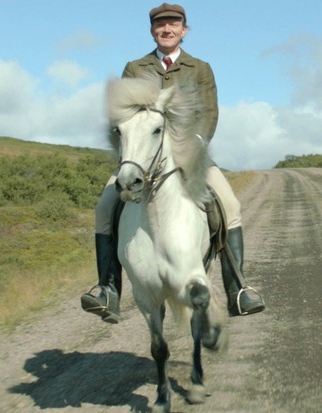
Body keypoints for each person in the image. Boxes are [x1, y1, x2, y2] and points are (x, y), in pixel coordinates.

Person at [80, 3, 265, 323]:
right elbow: (121, 113)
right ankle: (108, 289)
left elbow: (209, 113)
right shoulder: (135, 67)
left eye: (173, 24)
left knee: (230, 205)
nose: (166, 29)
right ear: (153, 31)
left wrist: (192, 145)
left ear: (184, 30)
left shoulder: (200, 68)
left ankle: (238, 289)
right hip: (141, 157)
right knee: (104, 209)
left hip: (189, 154)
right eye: (160, 25)